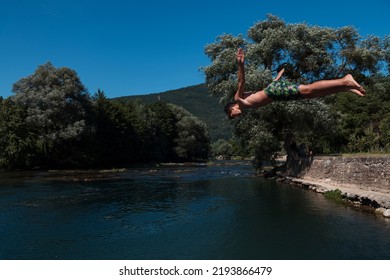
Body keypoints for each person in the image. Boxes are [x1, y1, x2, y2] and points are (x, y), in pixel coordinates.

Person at [225, 48, 365, 119]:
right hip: (275, 92)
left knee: (309, 90)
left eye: (232, 115)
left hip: (275, 92)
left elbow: (241, 81)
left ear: (232, 107)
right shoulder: (246, 100)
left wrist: (241, 65)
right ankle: (345, 87)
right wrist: (277, 78)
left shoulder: (239, 99)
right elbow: (263, 91)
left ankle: (345, 80)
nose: (236, 116)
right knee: (310, 95)